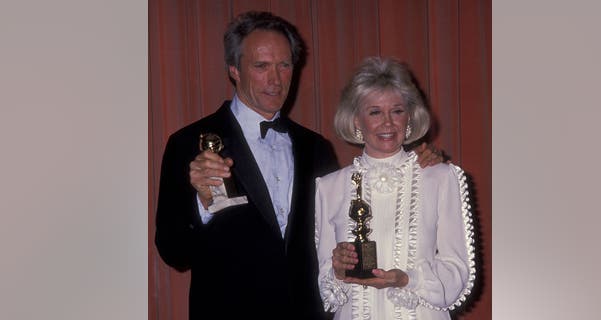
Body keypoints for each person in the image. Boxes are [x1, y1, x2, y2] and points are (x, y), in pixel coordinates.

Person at [155, 11, 443, 320]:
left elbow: (355, 219)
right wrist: (202, 201)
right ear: (234, 69)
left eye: (284, 65)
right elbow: (174, 251)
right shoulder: (188, 143)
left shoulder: (316, 148)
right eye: (261, 66)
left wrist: (416, 168)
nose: (276, 79)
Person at [314, 57, 475, 319]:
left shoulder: (442, 178)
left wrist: (407, 280)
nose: (388, 123)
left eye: (397, 111)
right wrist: (337, 270)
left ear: (409, 116)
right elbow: (326, 287)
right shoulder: (328, 187)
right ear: (356, 121)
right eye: (375, 112)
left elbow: (458, 272)